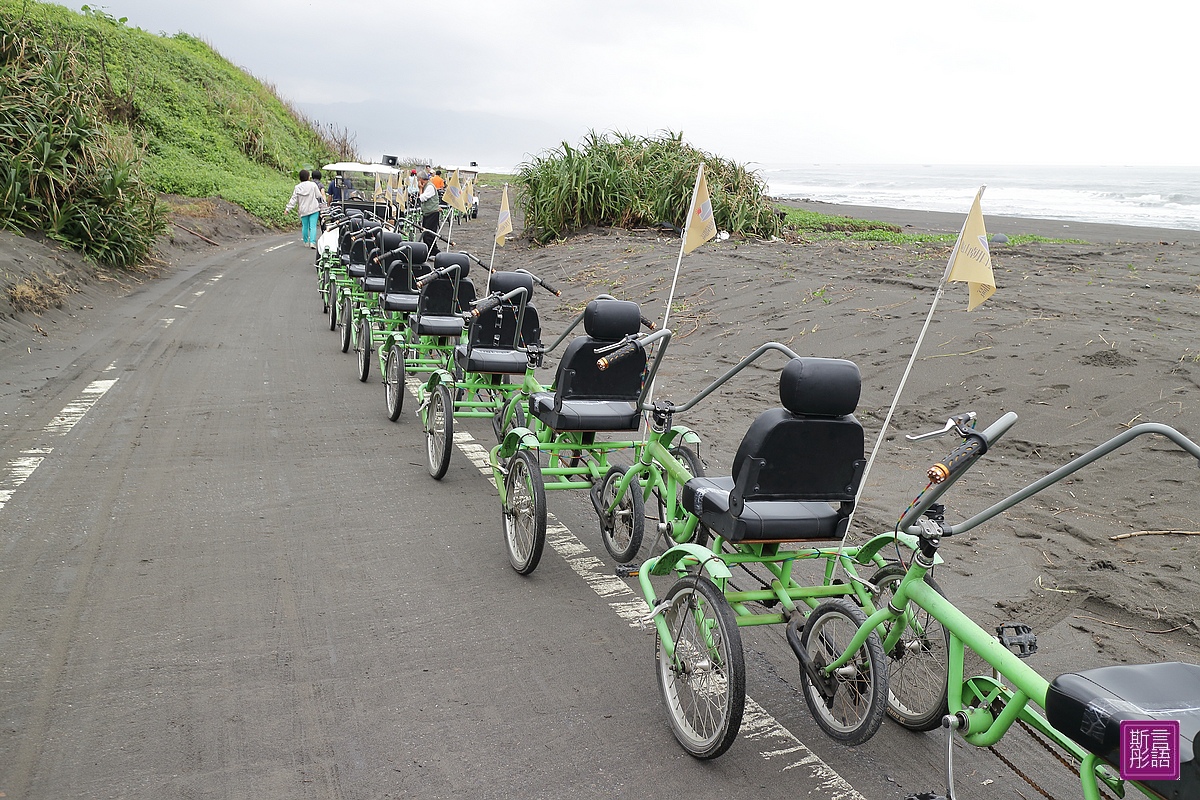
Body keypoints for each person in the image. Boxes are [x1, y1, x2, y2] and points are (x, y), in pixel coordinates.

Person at [284, 168, 322, 249]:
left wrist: (288, 209)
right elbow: (318, 195)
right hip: (314, 209)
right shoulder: (313, 185)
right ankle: (312, 242)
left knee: (305, 226)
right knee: (313, 226)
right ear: (308, 177)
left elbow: (293, 199)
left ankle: (305, 242)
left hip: (303, 210)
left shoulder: (297, 187)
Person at [416, 171, 441, 257]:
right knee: (426, 233)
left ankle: (435, 253)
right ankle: (431, 252)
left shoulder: (430, 187)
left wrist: (420, 188)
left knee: (429, 234)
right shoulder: (427, 186)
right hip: (428, 213)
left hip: (432, 213)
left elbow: (422, 198)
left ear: (421, 180)